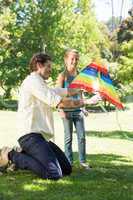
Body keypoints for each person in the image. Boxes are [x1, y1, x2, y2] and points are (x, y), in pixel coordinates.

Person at [0, 52, 87, 180]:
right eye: (48, 66)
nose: (51, 70)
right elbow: (60, 102)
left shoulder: (41, 84)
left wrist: (85, 87)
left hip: (41, 138)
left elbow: (65, 91)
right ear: (39, 65)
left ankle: (22, 152)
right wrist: (86, 102)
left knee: (66, 169)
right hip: (30, 136)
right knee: (54, 174)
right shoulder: (33, 82)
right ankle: (12, 155)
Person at [56, 49, 91, 169]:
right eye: (72, 58)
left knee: (82, 137)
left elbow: (81, 94)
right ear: (66, 60)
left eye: (76, 59)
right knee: (68, 138)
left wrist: (84, 107)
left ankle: (82, 161)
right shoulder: (62, 76)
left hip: (78, 111)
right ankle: (69, 162)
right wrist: (60, 110)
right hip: (66, 111)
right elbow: (57, 95)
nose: (74, 61)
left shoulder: (80, 76)